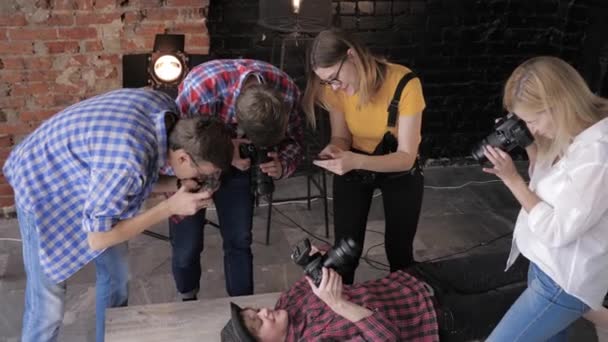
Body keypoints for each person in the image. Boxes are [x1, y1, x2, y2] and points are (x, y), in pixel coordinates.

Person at [2, 88, 233, 342]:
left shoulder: (169, 116)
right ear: (182, 157)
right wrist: (170, 207)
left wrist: (177, 186)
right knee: (48, 305)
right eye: (201, 173)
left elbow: (138, 177)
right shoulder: (128, 161)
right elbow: (98, 239)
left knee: (117, 278)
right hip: (41, 183)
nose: (201, 179)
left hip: (86, 172)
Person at [481, 56, 608, 341]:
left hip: (563, 280)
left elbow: (558, 230)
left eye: (532, 120)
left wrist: (512, 179)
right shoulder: (573, 132)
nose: (531, 128)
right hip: (542, 264)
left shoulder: (598, 155)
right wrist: (531, 148)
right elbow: (545, 187)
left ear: (558, 104)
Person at [170, 59, 303, 300]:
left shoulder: (287, 92)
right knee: (186, 247)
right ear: (237, 121)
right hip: (195, 164)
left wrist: (282, 164)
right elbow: (175, 145)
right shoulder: (202, 88)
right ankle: (187, 301)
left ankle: (243, 306)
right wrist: (224, 151)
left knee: (239, 240)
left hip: (241, 165)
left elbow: (296, 141)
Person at [302, 29, 425, 284]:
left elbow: (406, 157)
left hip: (397, 166)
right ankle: (340, 311)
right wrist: (335, 148)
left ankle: (409, 309)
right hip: (354, 159)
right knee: (345, 251)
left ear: (352, 56)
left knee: (399, 251)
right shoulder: (333, 90)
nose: (334, 87)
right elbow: (341, 138)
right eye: (327, 82)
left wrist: (354, 160)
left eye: (334, 78)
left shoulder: (405, 83)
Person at [220, 249, 530, 342]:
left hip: (415, 281)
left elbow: (322, 275)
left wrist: (320, 258)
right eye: (258, 323)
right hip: (439, 320)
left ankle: (567, 256)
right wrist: (339, 304)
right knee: (530, 302)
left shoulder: (285, 303)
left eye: (254, 311)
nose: (264, 313)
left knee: (515, 260)